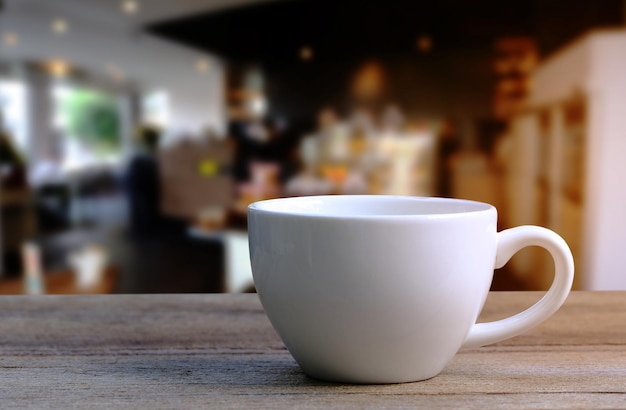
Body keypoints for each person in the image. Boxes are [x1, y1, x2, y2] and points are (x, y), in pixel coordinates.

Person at [124, 125, 162, 236]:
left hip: (137, 182)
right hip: (143, 182)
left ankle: (140, 229)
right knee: (147, 206)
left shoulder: (142, 150)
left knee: (140, 206)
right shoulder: (149, 150)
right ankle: (145, 230)